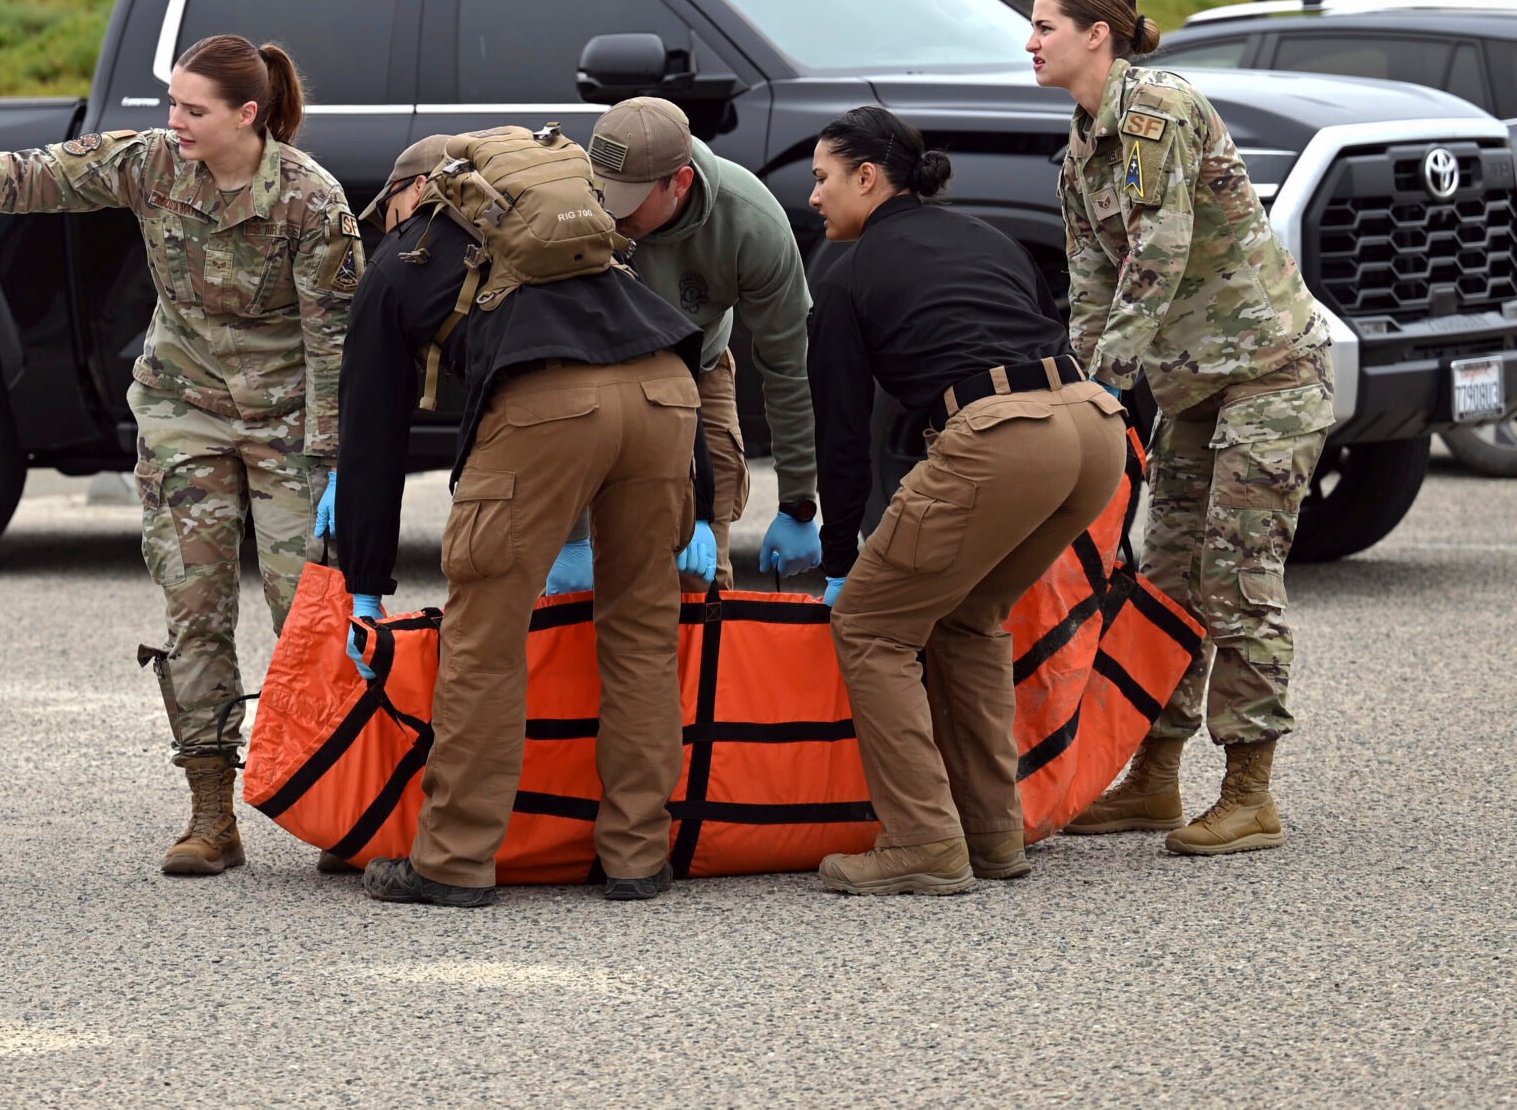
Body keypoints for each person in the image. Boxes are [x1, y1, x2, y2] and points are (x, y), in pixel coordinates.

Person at [0, 35, 358, 878]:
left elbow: (334, 345)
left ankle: (342, 807)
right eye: (172, 104)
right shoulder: (152, 164)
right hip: (185, 409)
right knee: (195, 614)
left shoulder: (308, 200)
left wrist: (334, 466)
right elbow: (37, 174)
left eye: (194, 108)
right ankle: (211, 816)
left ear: (247, 116)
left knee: (309, 620)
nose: (174, 121)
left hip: (285, 422)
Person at [332, 130, 715, 908]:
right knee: (642, 626)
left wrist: (363, 582)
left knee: (486, 637)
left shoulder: (403, 256)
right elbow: (648, 334)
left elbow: (372, 435)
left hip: (547, 407)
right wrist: (701, 502)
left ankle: (454, 858)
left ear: (410, 191)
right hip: (667, 396)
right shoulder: (573, 238)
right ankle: (638, 855)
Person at [1035, 0, 1332, 856]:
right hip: (1192, 382)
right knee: (1165, 578)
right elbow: (1091, 280)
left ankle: (1250, 790)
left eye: (1047, 24)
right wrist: (1089, 387)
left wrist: (1105, 381)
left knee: (1235, 576)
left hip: (1270, 372)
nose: (1031, 40)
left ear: (1099, 33)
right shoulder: (1082, 145)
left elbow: (1158, 253)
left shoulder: (1155, 108)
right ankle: (1154, 777)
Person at [807, 107, 1126, 896]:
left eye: (822, 177)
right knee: (968, 615)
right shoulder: (988, 237)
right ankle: (993, 832)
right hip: (1094, 428)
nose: (814, 196)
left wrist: (842, 559)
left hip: (1004, 434)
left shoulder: (843, 271)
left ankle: (920, 840)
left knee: (874, 623)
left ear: (867, 178)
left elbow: (842, 436)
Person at [590, 97, 818, 585]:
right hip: (599, 372)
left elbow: (787, 367)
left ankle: (700, 653)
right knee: (599, 564)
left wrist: (798, 502)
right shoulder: (576, 208)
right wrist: (569, 539)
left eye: (628, 199)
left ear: (680, 182)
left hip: (699, 369)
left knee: (699, 574)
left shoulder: (752, 224)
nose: (610, 213)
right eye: (603, 192)